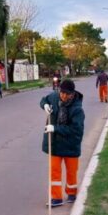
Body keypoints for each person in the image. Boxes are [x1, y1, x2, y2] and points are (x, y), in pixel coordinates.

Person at [40, 79, 85, 207]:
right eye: (62, 92)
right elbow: (43, 100)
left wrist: (55, 128)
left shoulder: (77, 109)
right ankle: (56, 198)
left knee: (71, 171)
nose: (64, 96)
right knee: (54, 171)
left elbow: (76, 129)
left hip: (71, 144)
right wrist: (45, 105)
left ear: (73, 94)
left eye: (67, 94)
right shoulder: (54, 97)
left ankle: (71, 193)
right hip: (55, 144)